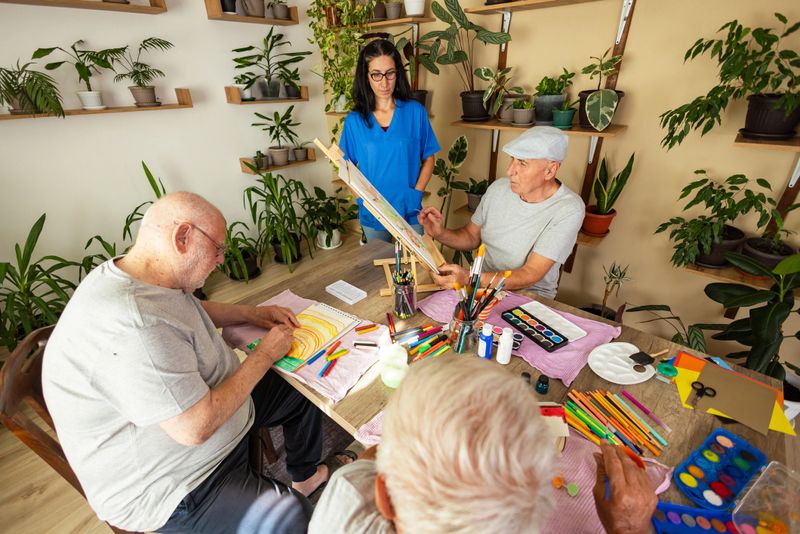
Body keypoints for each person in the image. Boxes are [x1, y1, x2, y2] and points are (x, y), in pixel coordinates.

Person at [42, 192, 345, 533]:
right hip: (176, 483)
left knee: (301, 388)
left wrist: (251, 313)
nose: (221, 259)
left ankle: (302, 476)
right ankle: (294, 499)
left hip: (209, 411)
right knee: (295, 518)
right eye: (217, 248)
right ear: (182, 237)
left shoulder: (143, 274)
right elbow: (195, 428)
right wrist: (263, 355)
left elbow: (185, 308)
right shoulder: (133, 326)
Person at [307, 356, 658, 534]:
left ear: (384, 496)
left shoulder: (348, 493)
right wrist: (630, 528)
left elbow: (373, 460)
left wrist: (415, 440)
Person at [419, 126, 585, 299]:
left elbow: (530, 274)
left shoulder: (569, 209)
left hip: (527, 299)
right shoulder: (499, 188)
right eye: (512, 159)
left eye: (522, 163)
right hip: (479, 289)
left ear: (550, 170)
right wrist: (440, 233)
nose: (510, 171)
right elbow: (471, 236)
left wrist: (470, 278)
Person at [339, 38, 440, 243]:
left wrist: (416, 194)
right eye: (376, 74)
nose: (384, 83)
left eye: (390, 73)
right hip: (373, 213)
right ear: (366, 76)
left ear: (398, 73)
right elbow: (345, 167)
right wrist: (362, 199)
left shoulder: (415, 113)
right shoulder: (354, 121)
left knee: (415, 271)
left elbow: (429, 158)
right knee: (376, 272)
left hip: (410, 209)